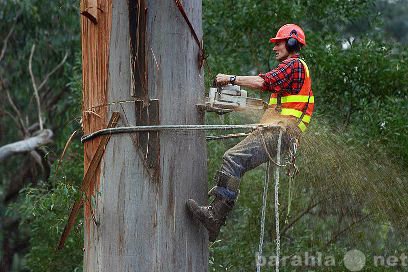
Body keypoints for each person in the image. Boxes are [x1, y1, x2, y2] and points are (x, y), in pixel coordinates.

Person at [186, 24, 315, 242]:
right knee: (237, 162)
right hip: (279, 133)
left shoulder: (293, 65)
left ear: (292, 43)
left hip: (281, 133)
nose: (274, 48)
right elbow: (276, 107)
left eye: (279, 43)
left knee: (233, 158)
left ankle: (214, 215)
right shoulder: (292, 73)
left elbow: (263, 82)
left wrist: (231, 79)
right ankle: (217, 213)